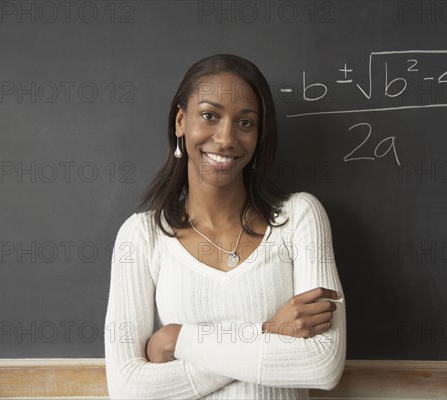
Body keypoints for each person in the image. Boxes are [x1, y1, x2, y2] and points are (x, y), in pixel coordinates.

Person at [104, 54, 346, 399]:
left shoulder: (299, 217)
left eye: (245, 123)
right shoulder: (141, 236)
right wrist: (270, 331)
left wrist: (178, 341)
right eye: (209, 116)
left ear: (259, 135)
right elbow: (129, 389)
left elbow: (322, 365)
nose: (226, 138)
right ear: (180, 122)